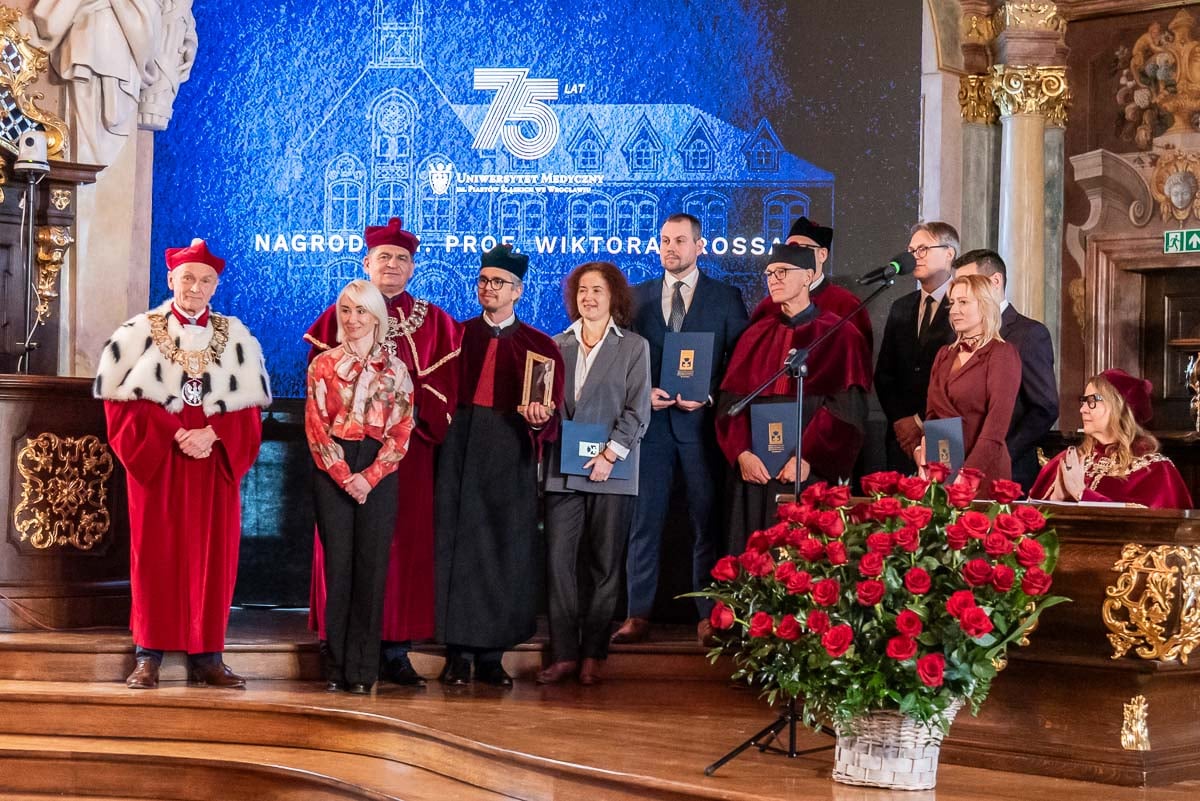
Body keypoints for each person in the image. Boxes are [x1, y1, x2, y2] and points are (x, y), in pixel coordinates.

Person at [94, 238, 270, 690]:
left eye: (205, 280)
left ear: (216, 286)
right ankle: (148, 654)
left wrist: (214, 433)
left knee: (215, 556)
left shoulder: (237, 337)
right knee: (155, 555)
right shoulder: (136, 333)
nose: (195, 287)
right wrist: (173, 433)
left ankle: (208, 656)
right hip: (160, 462)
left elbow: (249, 407)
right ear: (171, 279)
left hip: (213, 462)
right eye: (187, 278)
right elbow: (120, 403)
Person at [305, 218, 461, 686]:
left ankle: (393, 650)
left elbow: (441, 396)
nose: (392, 264)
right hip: (337, 460)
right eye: (383, 257)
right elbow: (318, 408)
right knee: (341, 559)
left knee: (394, 554)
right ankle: (337, 652)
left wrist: (396, 428)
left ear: (413, 267)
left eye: (402, 258)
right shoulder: (334, 324)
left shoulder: (436, 322)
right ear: (367, 263)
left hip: (404, 459)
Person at [612, 214, 747, 647]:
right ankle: (637, 613)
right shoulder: (636, 297)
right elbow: (620, 358)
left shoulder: (726, 298)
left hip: (701, 430)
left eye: (680, 241)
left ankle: (708, 616)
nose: (671, 248)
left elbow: (739, 364)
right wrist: (641, 394)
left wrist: (707, 396)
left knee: (706, 523)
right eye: (665, 240)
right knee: (643, 523)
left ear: (699, 246)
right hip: (649, 429)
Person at [435, 244, 565, 687]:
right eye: (484, 281)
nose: (489, 288)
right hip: (458, 449)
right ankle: (456, 653)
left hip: (510, 452)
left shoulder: (540, 346)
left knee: (504, 550)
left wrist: (539, 420)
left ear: (518, 291)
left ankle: (492, 655)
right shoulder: (455, 336)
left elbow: (550, 414)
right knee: (456, 548)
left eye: (499, 282)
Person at [715, 243, 872, 553]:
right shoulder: (754, 335)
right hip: (757, 474)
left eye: (782, 272)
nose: (773, 279)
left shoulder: (840, 335)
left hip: (808, 472)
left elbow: (847, 412)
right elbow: (729, 406)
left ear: (808, 276)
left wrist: (807, 458)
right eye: (769, 273)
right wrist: (742, 454)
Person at [539, 262, 651, 686]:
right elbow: (546, 406)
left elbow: (638, 410)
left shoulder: (634, 347)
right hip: (562, 470)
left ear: (613, 297)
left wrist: (610, 455)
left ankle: (593, 655)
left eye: (597, 290)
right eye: (582, 290)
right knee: (559, 564)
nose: (588, 297)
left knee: (605, 566)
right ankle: (565, 654)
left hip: (614, 470)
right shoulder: (555, 345)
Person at [306, 280, 414, 694]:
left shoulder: (396, 369)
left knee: (371, 569)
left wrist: (368, 478)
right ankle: (335, 666)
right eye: (346, 310)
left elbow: (402, 430)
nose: (352, 319)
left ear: (376, 317)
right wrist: (342, 475)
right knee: (339, 569)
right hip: (332, 467)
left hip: (378, 470)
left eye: (361, 311)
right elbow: (316, 428)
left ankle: (363, 670)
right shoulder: (322, 364)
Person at [953, 249, 1058, 490]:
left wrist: (1001, 453)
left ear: (995, 281)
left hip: (1009, 471)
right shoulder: (956, 339)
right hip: (959, 465)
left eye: (969, 282)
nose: (961, 292)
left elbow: (1044, 408)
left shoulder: (1028, 334)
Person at [919, 273, 1022, 497]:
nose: (954, 310)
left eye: (963, 302)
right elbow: (932, 415)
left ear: (985, 305)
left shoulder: (1002, 353)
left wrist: (968, 475)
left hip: (985, 472)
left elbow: (996, 426)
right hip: (944, 467)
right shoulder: (944, 354)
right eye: (952, 303)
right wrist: (931, 461)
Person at [1031, 370, 1193, 508]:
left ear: (1119, 407)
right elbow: (1031, 522)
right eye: (1084, 401)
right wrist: (1056, 498)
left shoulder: (1155, 470)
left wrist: (1082, 493)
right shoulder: (1067, 461)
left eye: (1092, 401)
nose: (1083, 409)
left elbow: (1147, 525)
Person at [875, 222, 958, 474]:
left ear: (949, 253)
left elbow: (958, 378)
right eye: (911, 251)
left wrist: (918, 420)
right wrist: (901, 420)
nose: (915, 257)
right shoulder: (901, 306)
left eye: (923, 249)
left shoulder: (963, 307)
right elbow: (885, 374)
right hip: (900, 438)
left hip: (944, 432)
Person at [746, 216, 873, 347]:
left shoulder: (846, 304)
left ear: (822, 254)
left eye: (801, 249)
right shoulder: (769, 306)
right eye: (788, 248)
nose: (792, 255)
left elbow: (858, 354)